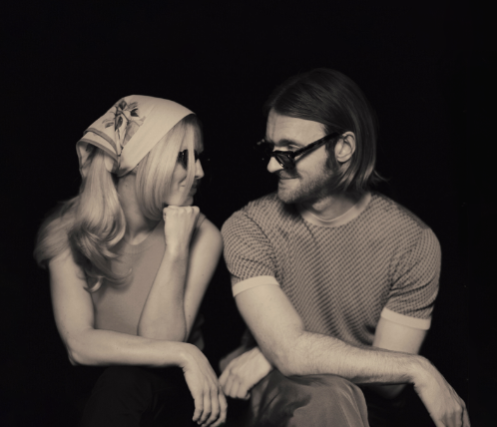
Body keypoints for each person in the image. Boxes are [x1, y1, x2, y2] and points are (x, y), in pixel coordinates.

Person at [219, 69, 469, 427]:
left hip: (369, 406)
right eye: (270, 149)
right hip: (276, 394)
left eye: (289, 151)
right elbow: (397, 367)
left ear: (343, 147)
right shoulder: (249, 225)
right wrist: (419, 368)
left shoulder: (413, 242)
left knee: (336, 394)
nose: (273, 165)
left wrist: (277, 350)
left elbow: (390, 385)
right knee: (328, 396)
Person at [34, 96, 227, 427]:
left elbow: (160, 339)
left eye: (199, 156)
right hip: (97, 391)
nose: (199, 171)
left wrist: (176, 249)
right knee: (117, 384)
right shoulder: (67, 230)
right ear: (138, 163)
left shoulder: (204, 235)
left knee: (126, 382)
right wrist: (187, 353)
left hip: (171, 396)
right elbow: (78, 345)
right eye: (183, 157)